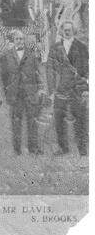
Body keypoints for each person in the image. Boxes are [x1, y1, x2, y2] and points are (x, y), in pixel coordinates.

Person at [0, 30, 45, 155]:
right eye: (17, 39)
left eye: (21, 39)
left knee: (32, 121)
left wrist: (40, 88)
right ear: (13, 41)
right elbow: (3, 76)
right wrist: (7, 90)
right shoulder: (7, 55)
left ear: (24, 40)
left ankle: (33, 149)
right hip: (15, 94)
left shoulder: (31, 55)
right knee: (16, 122)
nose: (19, 41)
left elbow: (38, 73)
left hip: (30, 93)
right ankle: (17, 149)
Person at [46, 21, 88, 156]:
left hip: (77, 89)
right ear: (61, 31)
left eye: (69, 30)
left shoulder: (82, 47)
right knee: (59, 119)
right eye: (65, 30)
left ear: (73, 31)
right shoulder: (55, 48)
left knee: (80, 118)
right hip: (60, 89)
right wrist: (51, 90)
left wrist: (86, 89)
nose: (67, 32)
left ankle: (82, 148)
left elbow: (87, 69)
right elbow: (50, 69)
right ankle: (63, 148)